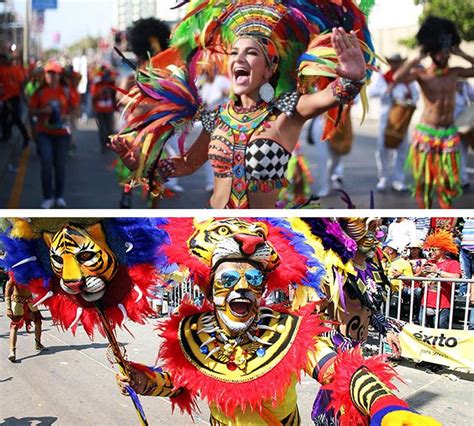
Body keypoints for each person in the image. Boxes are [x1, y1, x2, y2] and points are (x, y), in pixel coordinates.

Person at [115, 217, 438, 425]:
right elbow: (177, 382)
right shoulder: (194, 333)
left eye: (253, 279)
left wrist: (388, 409)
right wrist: (142, 381)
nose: (241, 290)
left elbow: (342, 370)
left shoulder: (290, 330)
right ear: (210, 288)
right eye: (229, 279)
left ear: (263, 288)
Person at [110, 0, 376, 209]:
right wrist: (142, 163)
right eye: (235, 52)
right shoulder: (216, 117)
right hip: (213, 226)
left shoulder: (287, 111)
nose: (239, 59)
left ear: (270, 68)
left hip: (260, 231)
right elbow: (187, 164)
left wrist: (352, 76)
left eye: (251, 53)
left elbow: (333, 95)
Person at [393, 16, 474, 208]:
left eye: (446, 53)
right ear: (431, 53)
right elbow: (397, 77)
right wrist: (415, 58)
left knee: (447, 183)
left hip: (449, 134)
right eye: (439, 53)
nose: (443, 56)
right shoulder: (422, 74)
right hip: (427, 134)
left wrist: (462, 54)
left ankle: (445, 218)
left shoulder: (455, 72)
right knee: (426, 183)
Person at [115, 17, 172, 208]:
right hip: (133, 134)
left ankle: (152, 208)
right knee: (128, 173)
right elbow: (120, 100)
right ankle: (127, 198)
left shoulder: (164, 79)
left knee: (155, 181)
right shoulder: (131, 78)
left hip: (156, 138)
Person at [369, 54, 419, 192]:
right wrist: (387, 90)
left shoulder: (408, 81)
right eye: (393, 63)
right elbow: (372, 93)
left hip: (402, 119)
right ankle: (384, 177)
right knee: (382, 149)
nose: (396, 65)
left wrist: (409, 99)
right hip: (386, 118)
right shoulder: (383, 78)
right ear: (390, 64)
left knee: (402, 149)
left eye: (398, 63)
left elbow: (416, 96)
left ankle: (398, 179)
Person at [29, 61, 73, 209]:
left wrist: (68, 116)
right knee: (46, 163)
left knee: (60, 165)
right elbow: (31, 111)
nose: (51, 76)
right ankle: (47, 197)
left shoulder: (66, 90)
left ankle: (59, 196)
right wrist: (43, 111)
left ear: (59, 75)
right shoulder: (40, 91)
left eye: (54, 73)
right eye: (49, 73)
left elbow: (76, 109)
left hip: (62, 134)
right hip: (44, 133)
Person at [419, 230, 461, 329]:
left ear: (442, 250)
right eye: (430, 249)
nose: (431, 252)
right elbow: (417, 277)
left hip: (443, 304)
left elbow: (456, 277)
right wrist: (421, 274)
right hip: (426, 302)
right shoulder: (429, 262)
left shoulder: (453, 263)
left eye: (434, 249)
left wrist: (438, 271)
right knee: (422, 328)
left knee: (440, 329)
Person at [5, 277, 46, 362]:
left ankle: (38, 343)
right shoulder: (14, 277)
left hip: (30, 301)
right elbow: (7, 291)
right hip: (17, 302)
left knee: (38, 321)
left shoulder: (31, 276)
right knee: (14, 326)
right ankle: (12, 351)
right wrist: (8, 308)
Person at [0, 53, 31, 147]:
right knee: (4, 118)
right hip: (5, 98)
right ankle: (6, 135)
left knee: (15, 119)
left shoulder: (15, 69)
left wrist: (24, 97)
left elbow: (21, 83)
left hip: (13, 98)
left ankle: (26, 137)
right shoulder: (3, 69)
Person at [91, 65, 117, 153]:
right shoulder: (97, 84)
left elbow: (115, 96)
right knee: (102, 129)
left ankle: (109, 144)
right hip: (99, 110)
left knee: (110, 128)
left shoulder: (112, 84)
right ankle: (103, 145)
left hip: (109, 110)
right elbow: (93, 96)